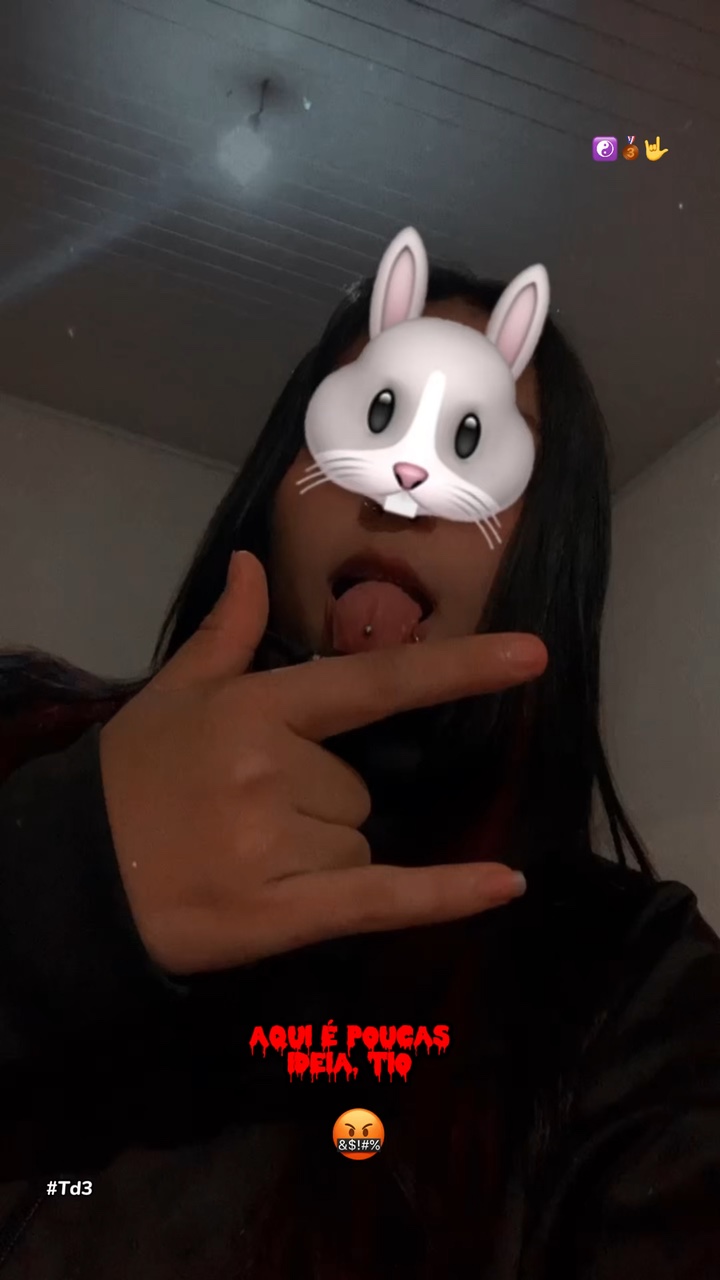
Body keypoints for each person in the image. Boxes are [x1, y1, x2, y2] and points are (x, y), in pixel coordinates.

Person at [0, 260, 718, 1280]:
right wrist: (59, 882)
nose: (403, 487)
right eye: (376, 412)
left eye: (474, 436)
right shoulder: (20, 731)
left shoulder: (631, 976)